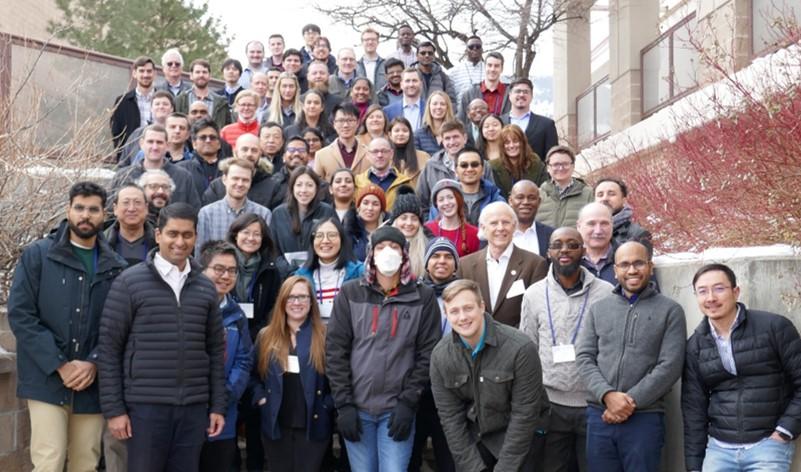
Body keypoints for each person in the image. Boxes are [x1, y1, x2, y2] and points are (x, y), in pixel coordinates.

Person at [98, 203, 226, 472]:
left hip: (193, 408)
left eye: (187, 235)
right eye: (173, 234)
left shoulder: (205, 287)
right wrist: (114, 410)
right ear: (158, 235)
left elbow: (215, 350)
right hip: (145, 409)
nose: (180, 242)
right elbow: (109, 348)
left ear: (195, 237)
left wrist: (217, 406)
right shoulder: (129, 282)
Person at [8, 182, 126, 472]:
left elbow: (120, 325)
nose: (85, 215)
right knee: (49, 459)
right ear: (68, 210)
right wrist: (60, 364)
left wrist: (94, 363)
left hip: (92, 382)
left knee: (85, 462)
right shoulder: (38, 255)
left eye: (93, 209)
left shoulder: (117, 267)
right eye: (79, 208)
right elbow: (21, 315)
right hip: (46, 378)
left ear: (105, 214)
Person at [326, 225, 441, 471]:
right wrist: (344, 405)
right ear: (371, 254)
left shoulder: (423, 296)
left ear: (404, 254)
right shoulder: (350, 293)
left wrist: (408, 403)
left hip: (396, 409)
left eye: (394, 247)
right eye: (380, 247)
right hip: (358, 408)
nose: (387, 252)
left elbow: (427, 354)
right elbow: (336, 351)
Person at [576, 241, 686, 472]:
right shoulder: (599, 308)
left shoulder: (670, 310)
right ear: (615, 270)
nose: (632, 270)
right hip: (600, 415)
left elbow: (670, 366)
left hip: (644, 418)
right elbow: (585, 357)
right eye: (624, 264)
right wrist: (607, 396)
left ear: (650, 266)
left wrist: (628, 402)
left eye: (638, 263)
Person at [682, 264, 801, 472]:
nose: (710, 298)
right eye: (702, 291)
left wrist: (784, 432)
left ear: (736, 291)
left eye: (719, 288)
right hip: (719, 449)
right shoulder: (695, 345)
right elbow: (694, 409)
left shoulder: (774, 327)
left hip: (768, 445)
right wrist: (694, 466)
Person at [520, 227, 614, 472]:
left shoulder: (605, 293)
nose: (564, 250)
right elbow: (527, 348)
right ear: (548, 252)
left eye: (572, 245)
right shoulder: (533, 295)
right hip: (550, 404)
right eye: (557, 245)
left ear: (583, 250)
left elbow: (611, 348)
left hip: (594, 404)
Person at [430, 279, 548, 471]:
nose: (462, 317)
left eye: (468, 308)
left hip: (522, 437)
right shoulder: (440, 357)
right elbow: (451, 419)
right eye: (454, 311)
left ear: (482, 306)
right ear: (446, 314)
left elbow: (524, 415)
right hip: (477, 437)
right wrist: (473, 468)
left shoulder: (520, 348)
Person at [253, 276, 334, 471]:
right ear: (282, 301)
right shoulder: (266, 336)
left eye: (302, 297)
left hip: (313, 424)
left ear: (311, 302)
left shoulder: (325, 336)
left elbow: (339, 380)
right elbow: (252, 376)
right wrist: (261, 398)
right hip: (276, 424)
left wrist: (327, 405)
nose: (296, 302)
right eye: (291, 297)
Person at [226, 213, 286, 472]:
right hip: (228, 348)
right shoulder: (223, 265)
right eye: (246, 232)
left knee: (254, 419)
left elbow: (274, 312)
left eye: (256, 234)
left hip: (259, 348)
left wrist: (260, 338)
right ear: (235, 235)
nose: (251, 238)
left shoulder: (272, 270)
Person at [197, 241, 253, 472]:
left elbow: (244, 359)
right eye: (218, 269)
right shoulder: (187, 307)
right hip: (190, 408)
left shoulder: (236, 315)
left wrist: (225, 395)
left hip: (224, 412)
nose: (225, 276)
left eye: (232, 270)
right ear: (202, 270)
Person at [409, 238, 461, 472]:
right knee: (410, 457)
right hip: (417, 387)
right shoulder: (413, 294)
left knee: (448, 459)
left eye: (448, 256)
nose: (442, 261)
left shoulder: (464, 294)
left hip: (453, 389)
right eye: (436, 256)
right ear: (426, 263)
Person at [457, 202, 548, 327]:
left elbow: (537, 312)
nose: (500, 228)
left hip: (518, 341)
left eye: (505, 222)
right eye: (494, 223)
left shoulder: (535, 264)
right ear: (483, 228)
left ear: (514, 226)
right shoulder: (464, 265)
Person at [109, 124, 201, 209]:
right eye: (150, 142)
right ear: (141, 144)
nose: (155, 147)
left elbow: (193, 211)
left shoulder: (183, 177)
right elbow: (110, 210)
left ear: (167, 146)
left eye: (159, 142)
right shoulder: (123, 177)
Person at [415, 120, 494, 218]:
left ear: (464, 138)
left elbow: (491, 196)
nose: (452, 142)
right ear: (442, 141)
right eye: (447, 138)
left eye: (455, 137)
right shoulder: (431, 166)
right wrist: (431, 225)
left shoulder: (481, 164)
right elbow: (421, 202)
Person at [295, 217, 365, 322]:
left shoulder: (360, 272)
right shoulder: (300, 276)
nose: (325, 241)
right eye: (319, 236)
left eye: (332, 235)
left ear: (342, 240)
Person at [196, 157, 272, 252]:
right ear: (224, 179)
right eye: (235, 178)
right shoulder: (207, 213)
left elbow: (266, 252)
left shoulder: (263, 214)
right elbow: (201, 253)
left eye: (245, 180)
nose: (240, 184)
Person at [271, 167, 336, 267]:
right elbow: (273, 250)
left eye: (309, 185)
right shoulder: (278, 213)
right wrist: (289, 271)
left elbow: (335, 244)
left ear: (316, 188)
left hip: (318, 272)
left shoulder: (327, 211)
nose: (304, 190)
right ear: (292, 188)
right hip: (287, 277)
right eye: (299, 185)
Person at [202, 133, 280, 210]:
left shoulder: (272, 186)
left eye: (254, 150)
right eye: (244, 149)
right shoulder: (217, 186)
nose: (249, 154)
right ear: (235, 152)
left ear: (260, 154)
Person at [501, 77, 558, 163]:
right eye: (517, 91)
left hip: (536, 175)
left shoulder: (546, 125)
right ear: (509, 96)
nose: (521, 95)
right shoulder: (499, 123)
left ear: (531, 96)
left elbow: (552, 157)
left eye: (525, 92)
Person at [536, 145, 594, 228]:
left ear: (573, 166)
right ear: (548, 168)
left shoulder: (588, 194)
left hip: (576, 240)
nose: (560, 168)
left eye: (565, 164)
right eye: (556, 164)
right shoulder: (537, 195)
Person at [111, 56, 155, 160]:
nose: (145, 75)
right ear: (134, 74)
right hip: (131, 156)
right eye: (142, 71)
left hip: (158, 153)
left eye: (149, 71)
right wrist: (123, 156)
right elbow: (116, 133)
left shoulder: (163, 100)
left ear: (154, 74)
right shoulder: (122, 102)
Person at [448, 146, 505, 226]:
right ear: (456, 170)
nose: (469, 169)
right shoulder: (444, 198)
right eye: (464, 165)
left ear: (483, 170)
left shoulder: (495, 199)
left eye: (474, 164)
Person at [314, 102, 371, 181]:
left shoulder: (370, 153)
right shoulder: (321, 155)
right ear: (334, 124)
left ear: (358, 123)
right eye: (341, 121)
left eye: (350, 120)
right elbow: (319, 186)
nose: (345, 125)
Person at [117, 90, 175, 167]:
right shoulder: (138, 134)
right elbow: (124, 162)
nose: (161, 107)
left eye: (165, 104)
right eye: (157, 104)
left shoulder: (177, 133)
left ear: (172, 109)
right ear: (151, 109)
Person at [354, 136, 413, 211]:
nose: (380, 155)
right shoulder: (358, 182)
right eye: (375, 152)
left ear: (391, 154)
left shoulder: (404, 183)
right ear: (367, 155)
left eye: (384, 151)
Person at [594, 177, 653, 250]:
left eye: (611, 194)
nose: (605, 198)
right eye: (600, 195)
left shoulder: (638, 234)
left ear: (624, 200)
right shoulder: (585, 232)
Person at [491, 124, 548, 198]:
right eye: (507, 143)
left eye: (515, 141)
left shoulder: (537, 164)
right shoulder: (493, 168)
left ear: (523, 142)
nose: (511, 146)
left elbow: (544, 191)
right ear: (502, 146)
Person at [105, 183, 156, 266]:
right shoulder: (99, 242)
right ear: (115, 209)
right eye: (126, 202)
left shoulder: (160, 242)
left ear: (146, 208)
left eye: (137, 202)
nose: (131, 208)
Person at [425, 179, 480, 257]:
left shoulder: (474, 233)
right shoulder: (427, 229)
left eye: (450, 197)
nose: (446, 203)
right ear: (436, 204)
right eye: (441, 200)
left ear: (459, 200)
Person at [175, 59, 232, 130]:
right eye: (197, 72)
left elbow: (226, 127)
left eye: (204, 72)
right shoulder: (180, 100)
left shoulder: (222, 103)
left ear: (209, 76)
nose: (201, 75)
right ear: (191, 76)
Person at [457, 52, 510, 123]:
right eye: (489, 65)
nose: (492, 69)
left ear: (502, 69)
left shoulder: (510, 94)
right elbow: (461, 122)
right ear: (485, 67)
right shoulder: (469, 94)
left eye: (496, 66)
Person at [178, 118, 225, 198]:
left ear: (219, 143)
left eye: (212, 137)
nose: (208, 140)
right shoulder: (181, 169)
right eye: (203, 137)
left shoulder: (229, 169)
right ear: (194, 144)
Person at [389, 188, 429, 277]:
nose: (409, 223)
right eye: (404, 218)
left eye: (414, 218)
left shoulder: (429, 246)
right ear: (395, 220)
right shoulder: (381, 244)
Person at [576, 202, 617, 285]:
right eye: (591, 224)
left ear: (612, 225)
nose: (598, 231)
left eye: (604, 223)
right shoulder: (569, 261)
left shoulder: (627, 258)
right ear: (578, 226)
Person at [509, 180, 553, 257]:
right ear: (510, 201)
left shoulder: (551, 235)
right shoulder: (498, 234)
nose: (526, 202)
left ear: (539, 202)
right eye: (520, 197)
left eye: (531, 198)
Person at [345, 184, 386, 261]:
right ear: (358, 207)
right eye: (365, 203)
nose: (370, 208)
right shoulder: (349, 231)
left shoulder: (389, 230)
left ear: (381, 210)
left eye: (375, 204)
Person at [387, 117, 429, 189]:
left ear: (410, 134)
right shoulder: (383, 158)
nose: (401, 134)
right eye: (397, 131)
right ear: (390, 134)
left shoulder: (424, 157)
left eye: (405, 131)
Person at [414, 91, 454, 155]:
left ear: (447, 107)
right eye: (435, 104)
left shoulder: (455, 133)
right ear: (429, 107)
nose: (438, 107)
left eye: (442, 104)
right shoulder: (418, 135)